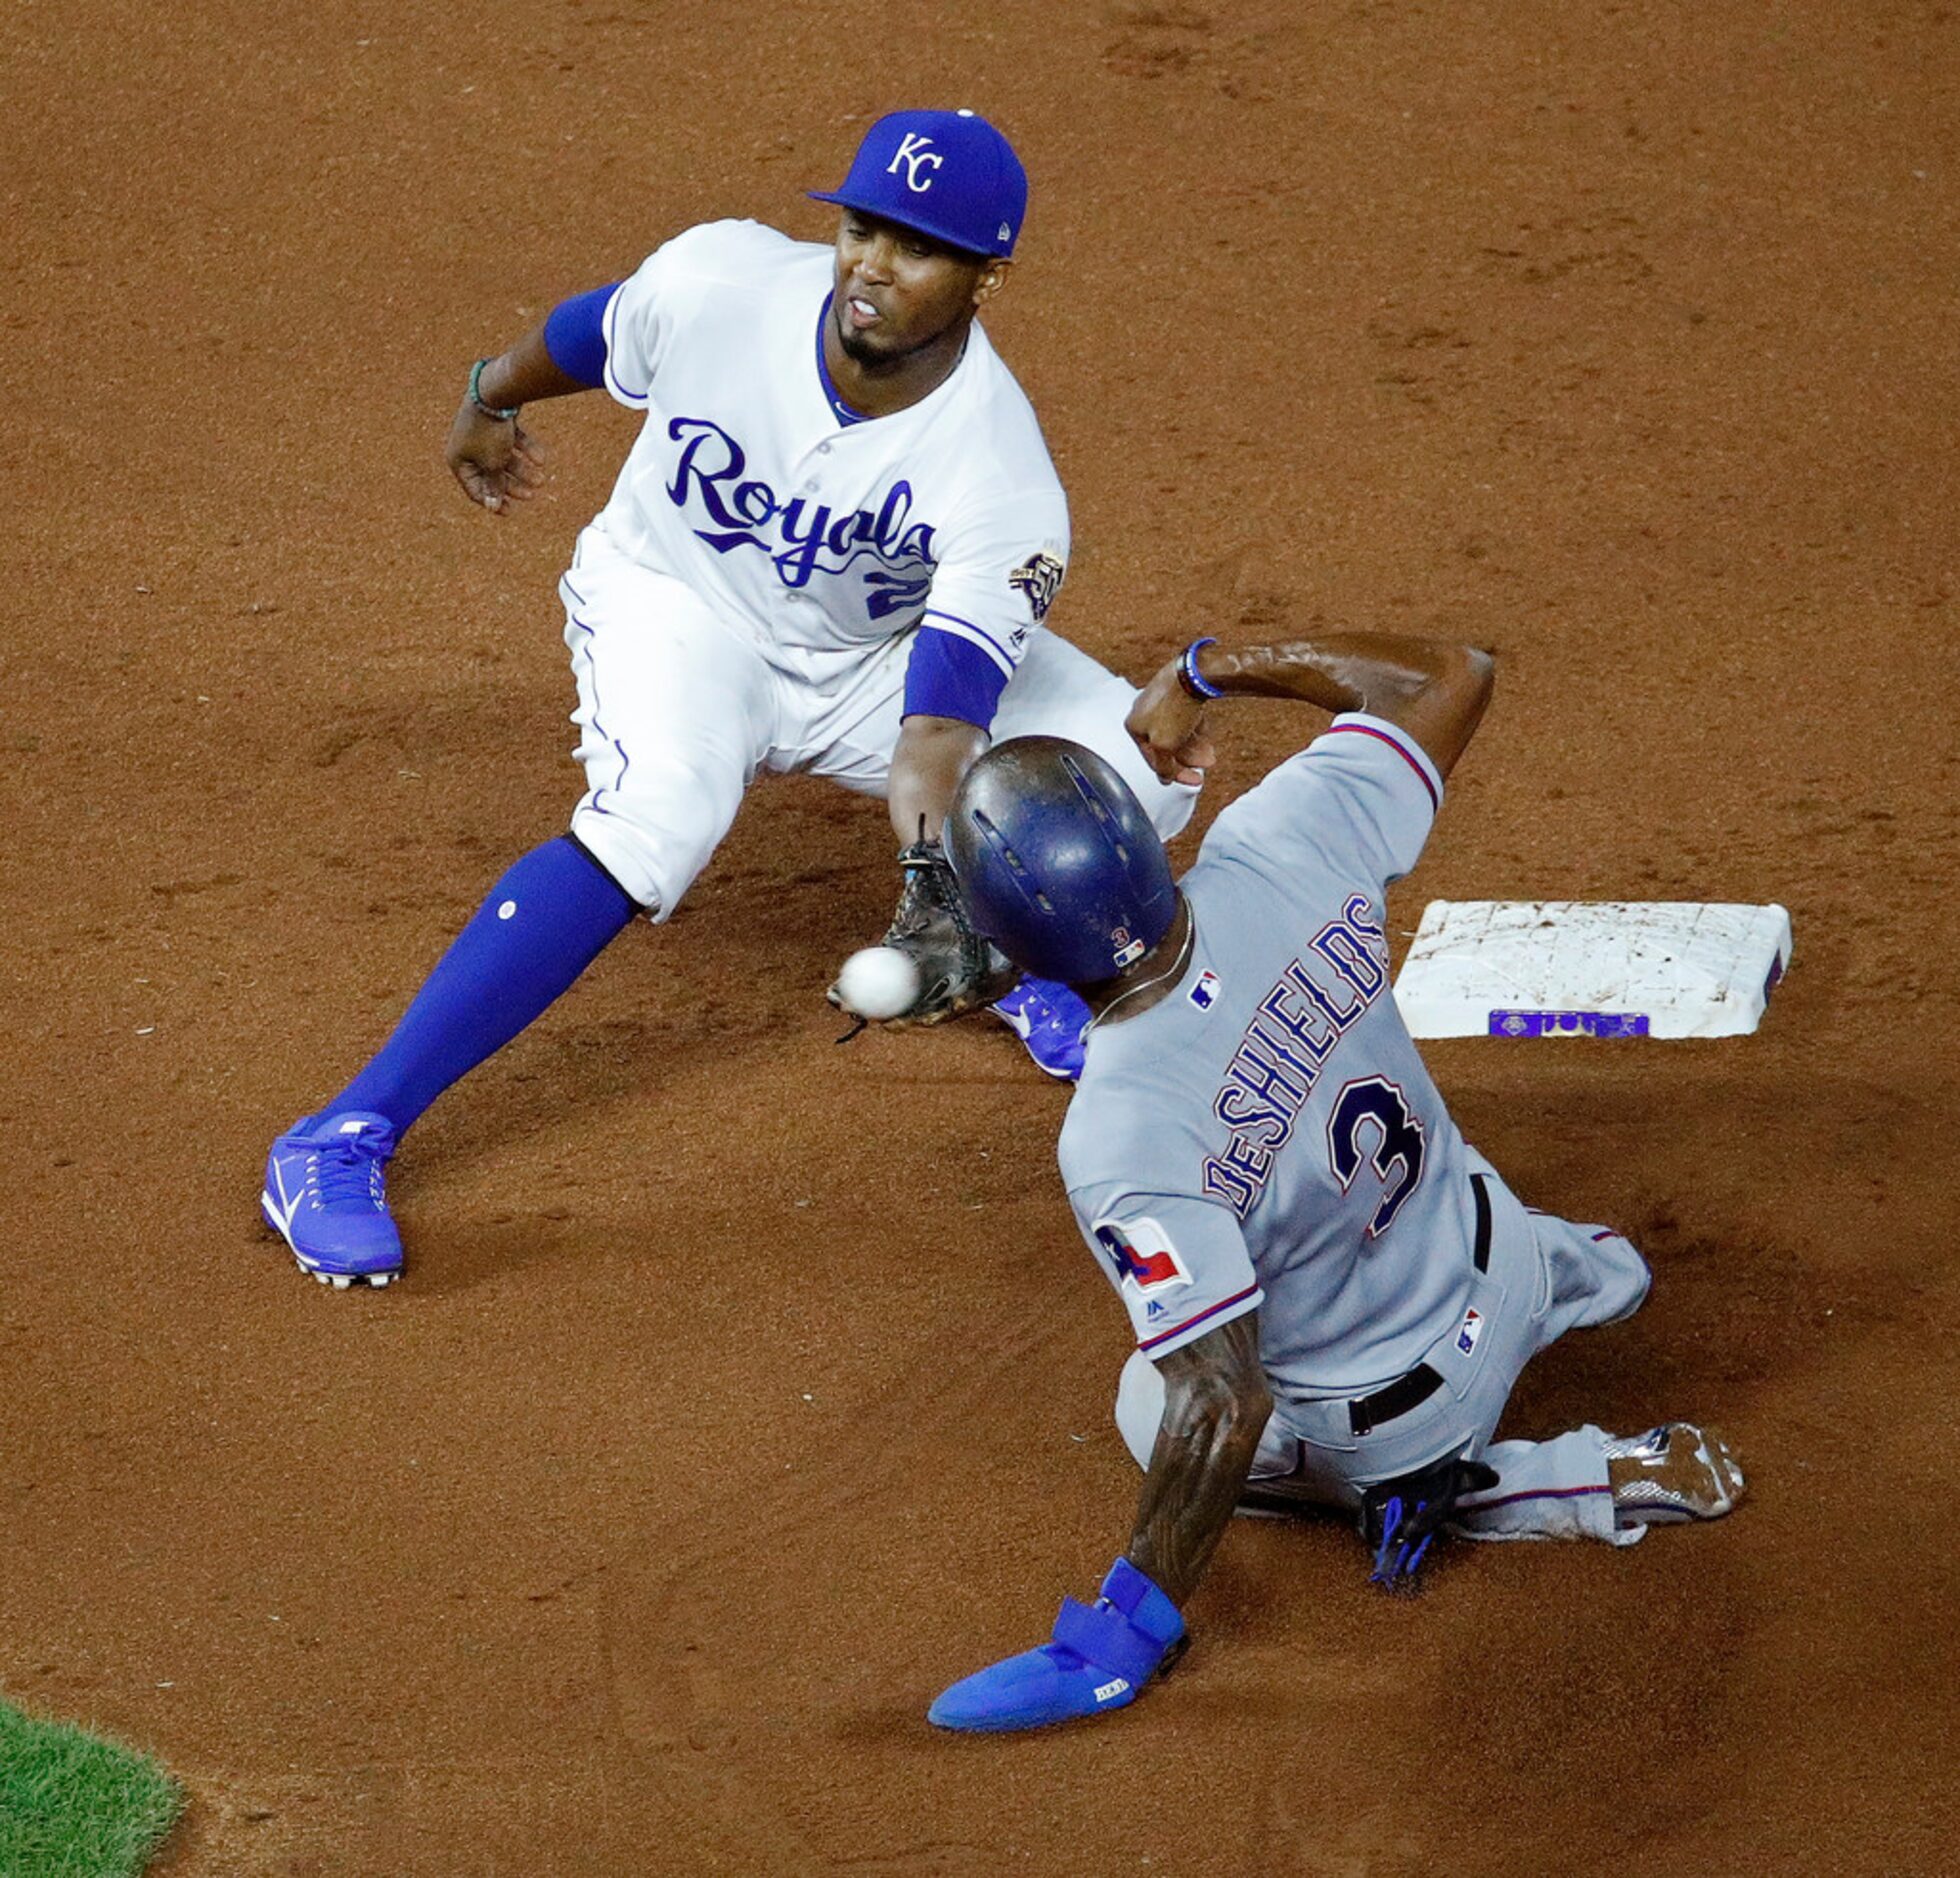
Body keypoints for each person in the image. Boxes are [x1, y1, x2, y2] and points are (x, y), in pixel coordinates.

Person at [259, 108, 1203, 1288]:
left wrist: (933, 886)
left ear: (984, 275)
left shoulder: (1001, 479)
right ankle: (339, 1137)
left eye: (915, 248)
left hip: (871, 662)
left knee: (1126, 778)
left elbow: (940, 727)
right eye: (862, 228)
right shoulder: (722, 283)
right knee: (661, 819)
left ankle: (1015, 959)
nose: (870, 263)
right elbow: (587, 335)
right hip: (680, 609)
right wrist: (488, 400)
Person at [926, 630, 1748, 1733]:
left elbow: (1221, 1400)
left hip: (1414, 1412)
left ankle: (1548, 1482)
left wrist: (1124, 1627)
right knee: (1445, 1234)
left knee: (1148, 1397)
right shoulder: (1278, 839)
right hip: (1495, 1239)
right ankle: (1591, 1277)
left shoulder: (1122, 1133)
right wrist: (1208, 669)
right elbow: (1452, 676)